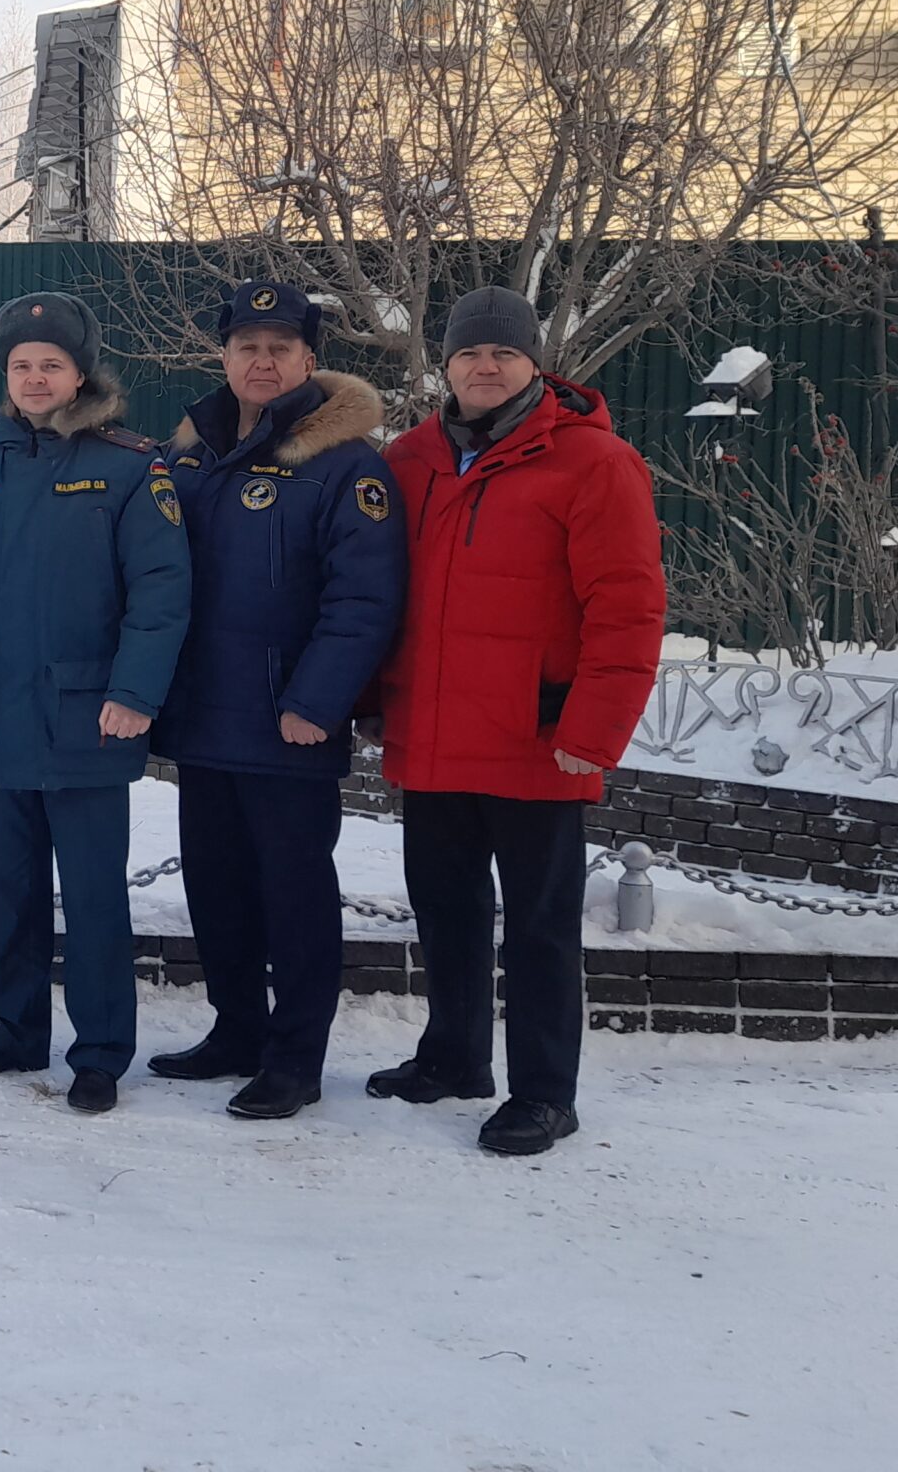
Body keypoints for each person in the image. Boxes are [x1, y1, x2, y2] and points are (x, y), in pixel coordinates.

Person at [365, 286, 665, 1156]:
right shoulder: (413, 459)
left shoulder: (593, 463)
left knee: (537, 929)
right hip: (433, 736)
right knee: (446, 912)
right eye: (468, 353)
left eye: (502, 352)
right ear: (446, 364)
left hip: (537, 740)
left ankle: (545, 1092)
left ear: (535, 362)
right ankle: (455, 1057)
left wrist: (592, 729)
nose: (485, 366)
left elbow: (629, 607)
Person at [0, 292, 189, 1114]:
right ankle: (15, 1028)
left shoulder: (132, 467)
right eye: (22, 366)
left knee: (95, 895)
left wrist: (135, 692)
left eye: (52, 365)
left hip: (88, 718)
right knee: (9, 886)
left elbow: (162, 592)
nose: (35, 378)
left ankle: (99, 1050)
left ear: (80, 373)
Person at [147, 280, 406, 1119]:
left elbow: (363, 600)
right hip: (202, 716)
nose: (261, 361)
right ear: (223, 358)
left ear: (308, 359)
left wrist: (317, 701)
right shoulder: (189, 455)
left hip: (285, 723)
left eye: (279, 347)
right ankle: (236, 1031)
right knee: (217, 888)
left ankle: (295, 1057)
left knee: (293, 896)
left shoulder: (346, 467)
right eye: (246, 346)